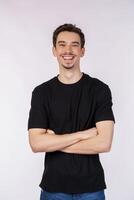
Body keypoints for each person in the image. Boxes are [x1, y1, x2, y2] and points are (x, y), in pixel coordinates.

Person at [28, 23, 115, 200]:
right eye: (62, 44)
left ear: (82, 51)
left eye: (74, 45)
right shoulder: (41, 92)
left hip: (92, 188)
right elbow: (36, 144)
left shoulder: (99, 90)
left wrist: (54, 142)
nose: (68, 50)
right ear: (54, 50)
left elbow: (104, 143)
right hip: (54, 188)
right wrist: (84, 134)